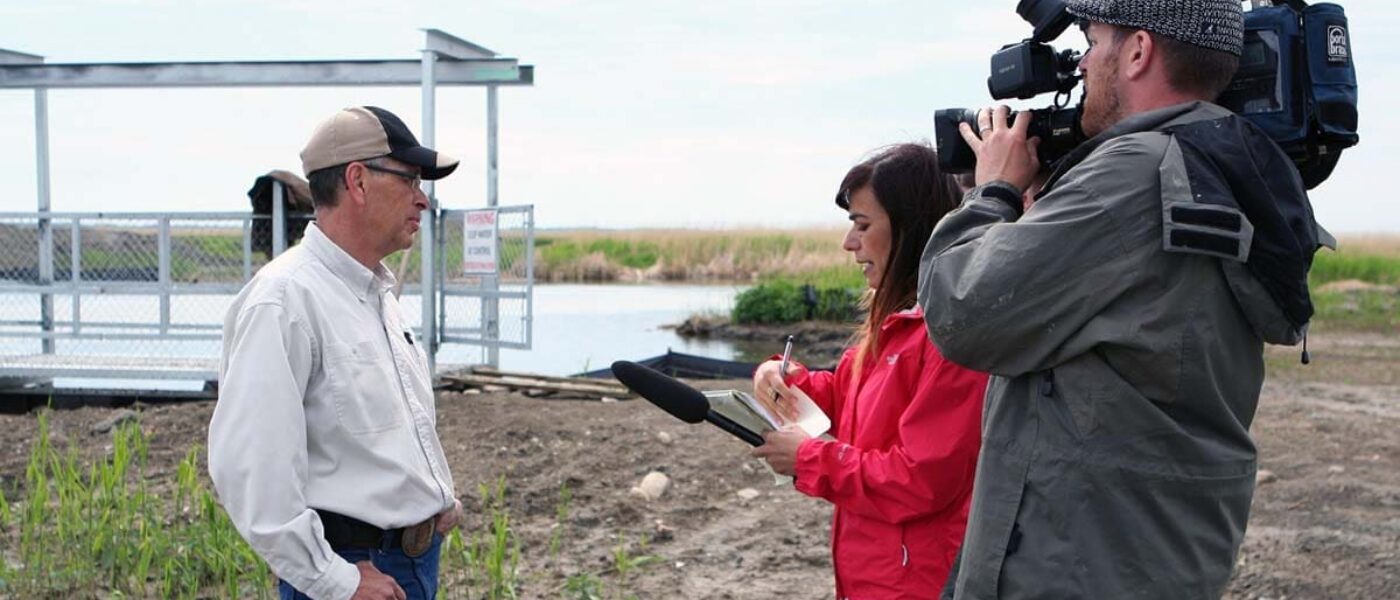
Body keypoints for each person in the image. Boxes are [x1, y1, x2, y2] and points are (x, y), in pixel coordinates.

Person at [918, 1, 1326, 598]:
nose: (1081, 63)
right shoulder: (1219, 162)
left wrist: (992, 192)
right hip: (1145, 550)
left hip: (1075, 563)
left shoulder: (1133, 172)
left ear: (1137, 51)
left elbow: (962, 311)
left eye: (1092, 40)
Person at [209, 106, 466, 600]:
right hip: (356, 574)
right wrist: (335, 580)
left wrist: (435, 499)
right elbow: (252, 470)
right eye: (411, 180)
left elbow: (379, 434)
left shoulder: (375, 294)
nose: (423, 200)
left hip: (407, 565)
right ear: (358, 181)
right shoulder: (284, 300)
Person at [751, 143, 989, 599]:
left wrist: (807, 459)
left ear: (912, 229)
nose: (849, 243)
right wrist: (784, 380)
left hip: (914, 582)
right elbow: (848, 400)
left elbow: (920, 480)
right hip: (869, 572)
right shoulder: (894, 322)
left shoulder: (948, 335)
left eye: (862, 225)